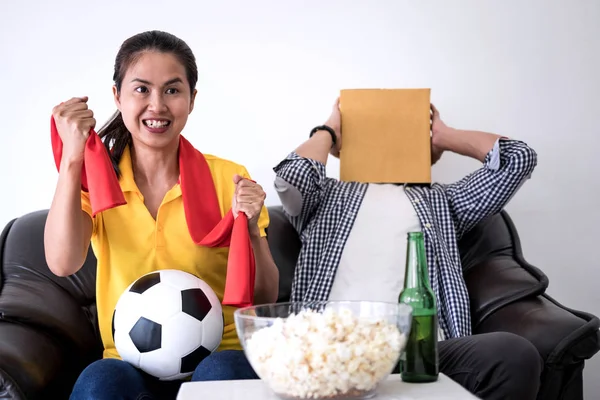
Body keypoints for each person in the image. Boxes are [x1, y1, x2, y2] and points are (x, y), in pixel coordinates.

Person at [44, 30, 277, 400]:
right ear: (117, 96)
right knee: (99, 381)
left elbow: (265, 295)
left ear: (192, 99)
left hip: (215, 357)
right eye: (141, 89)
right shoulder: (98, 180)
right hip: (128, 362)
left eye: (172, 90)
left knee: (224, 374)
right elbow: (62, 262)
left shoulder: (228, 177)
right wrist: (73, 159)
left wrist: (249, 229)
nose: (157, 105)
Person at [273, 98, 543, 400]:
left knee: (514, 353)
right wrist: (330, 130)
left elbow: (517, 159)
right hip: (334, 353)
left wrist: (444, 136)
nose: (387, 144)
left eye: (400, 134)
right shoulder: (324, 198)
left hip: (424, 356)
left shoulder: (444, 202)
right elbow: (291, 177)